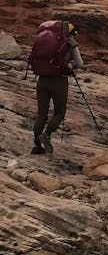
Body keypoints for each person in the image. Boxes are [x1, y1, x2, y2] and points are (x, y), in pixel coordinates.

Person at [29, 19, 84, 154]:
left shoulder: (44, 39)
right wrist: (69, 66)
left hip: (41, 80)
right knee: (59, 112)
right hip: (59, 81)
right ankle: (46, 135)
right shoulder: (69, 43)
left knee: (41, 113)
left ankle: (37, 145)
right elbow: (80, 63)